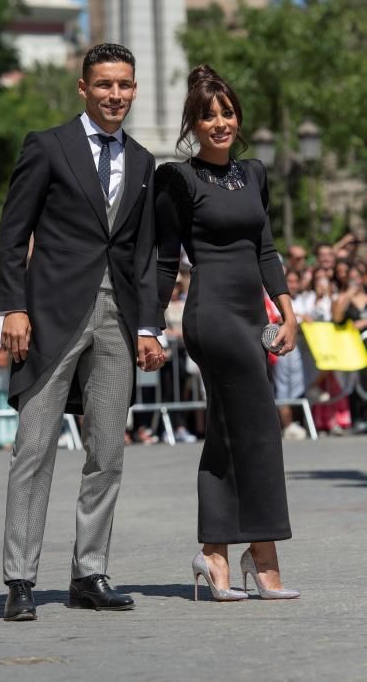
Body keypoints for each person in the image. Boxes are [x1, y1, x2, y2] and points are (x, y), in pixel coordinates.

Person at [0, 43, 164, 620]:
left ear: (134, 90)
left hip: (118, 319)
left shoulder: (143, 161)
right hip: (50, 315)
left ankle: (89, 573)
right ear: (84, 89)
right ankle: (19, 578)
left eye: (125, 85)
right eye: (105, 84)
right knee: (33, 449)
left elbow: (140, 253)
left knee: (107, 453)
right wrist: (12, 308)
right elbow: (13, 233)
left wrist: (147, 326)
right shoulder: (47, 146)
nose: (115, 94)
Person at [155, 65, 300, 601]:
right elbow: (166, 260)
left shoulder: (254, 174)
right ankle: (263, 556)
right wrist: (150, 324)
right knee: (260, 430)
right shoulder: (179, 178)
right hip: (211, 314)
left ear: (238, 119)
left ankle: (213, 554)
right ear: (192, 123)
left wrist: (287, 313)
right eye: (207, 115)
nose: (219, 122)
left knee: (226, 434)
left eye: (227, 112)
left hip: (252, 314)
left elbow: (265, 249)